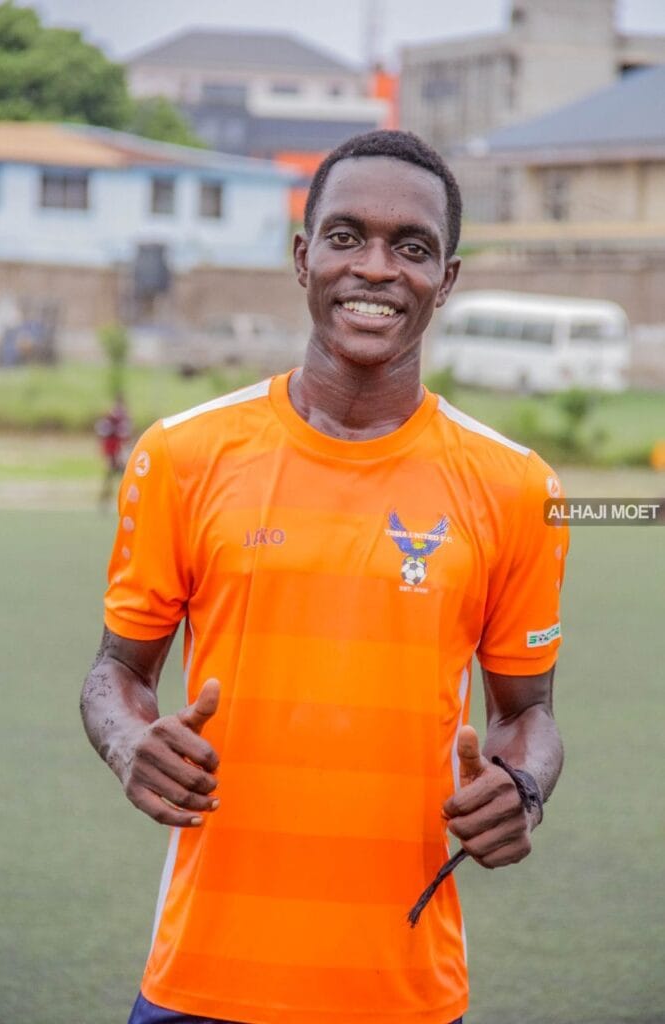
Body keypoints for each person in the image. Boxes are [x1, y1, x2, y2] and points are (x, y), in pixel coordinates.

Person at [81, 130, 568, 1024]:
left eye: (411, 247)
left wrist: (523, 789)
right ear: (304, 258)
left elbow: (526, 714)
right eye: (346, 237)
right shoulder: (183, 455)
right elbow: (116, 672)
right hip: (202, 977)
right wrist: (128, 744)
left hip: (404, 989)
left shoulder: (517, 487)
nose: (375, 268)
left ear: (446, 279)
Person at [95, 394, 132, 508]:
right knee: (114, 476)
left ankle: (108, 499)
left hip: (116, 452)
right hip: (114, 451)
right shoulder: (114, 418)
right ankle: (106, 499)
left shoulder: (116, 418)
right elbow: (106, 434)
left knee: (118, 476)